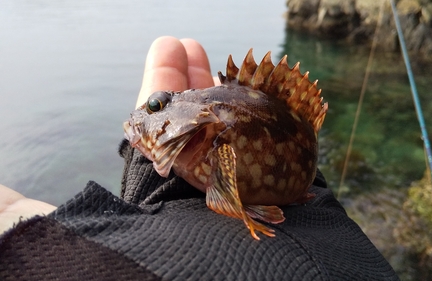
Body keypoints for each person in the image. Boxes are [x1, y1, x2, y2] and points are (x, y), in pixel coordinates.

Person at [0, 37, 399, 280]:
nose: (144, 117)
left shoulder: (212, 129)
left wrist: (234, 205)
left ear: (198, 119)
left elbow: (224, 200)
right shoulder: (204, 118)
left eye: (157, 105)